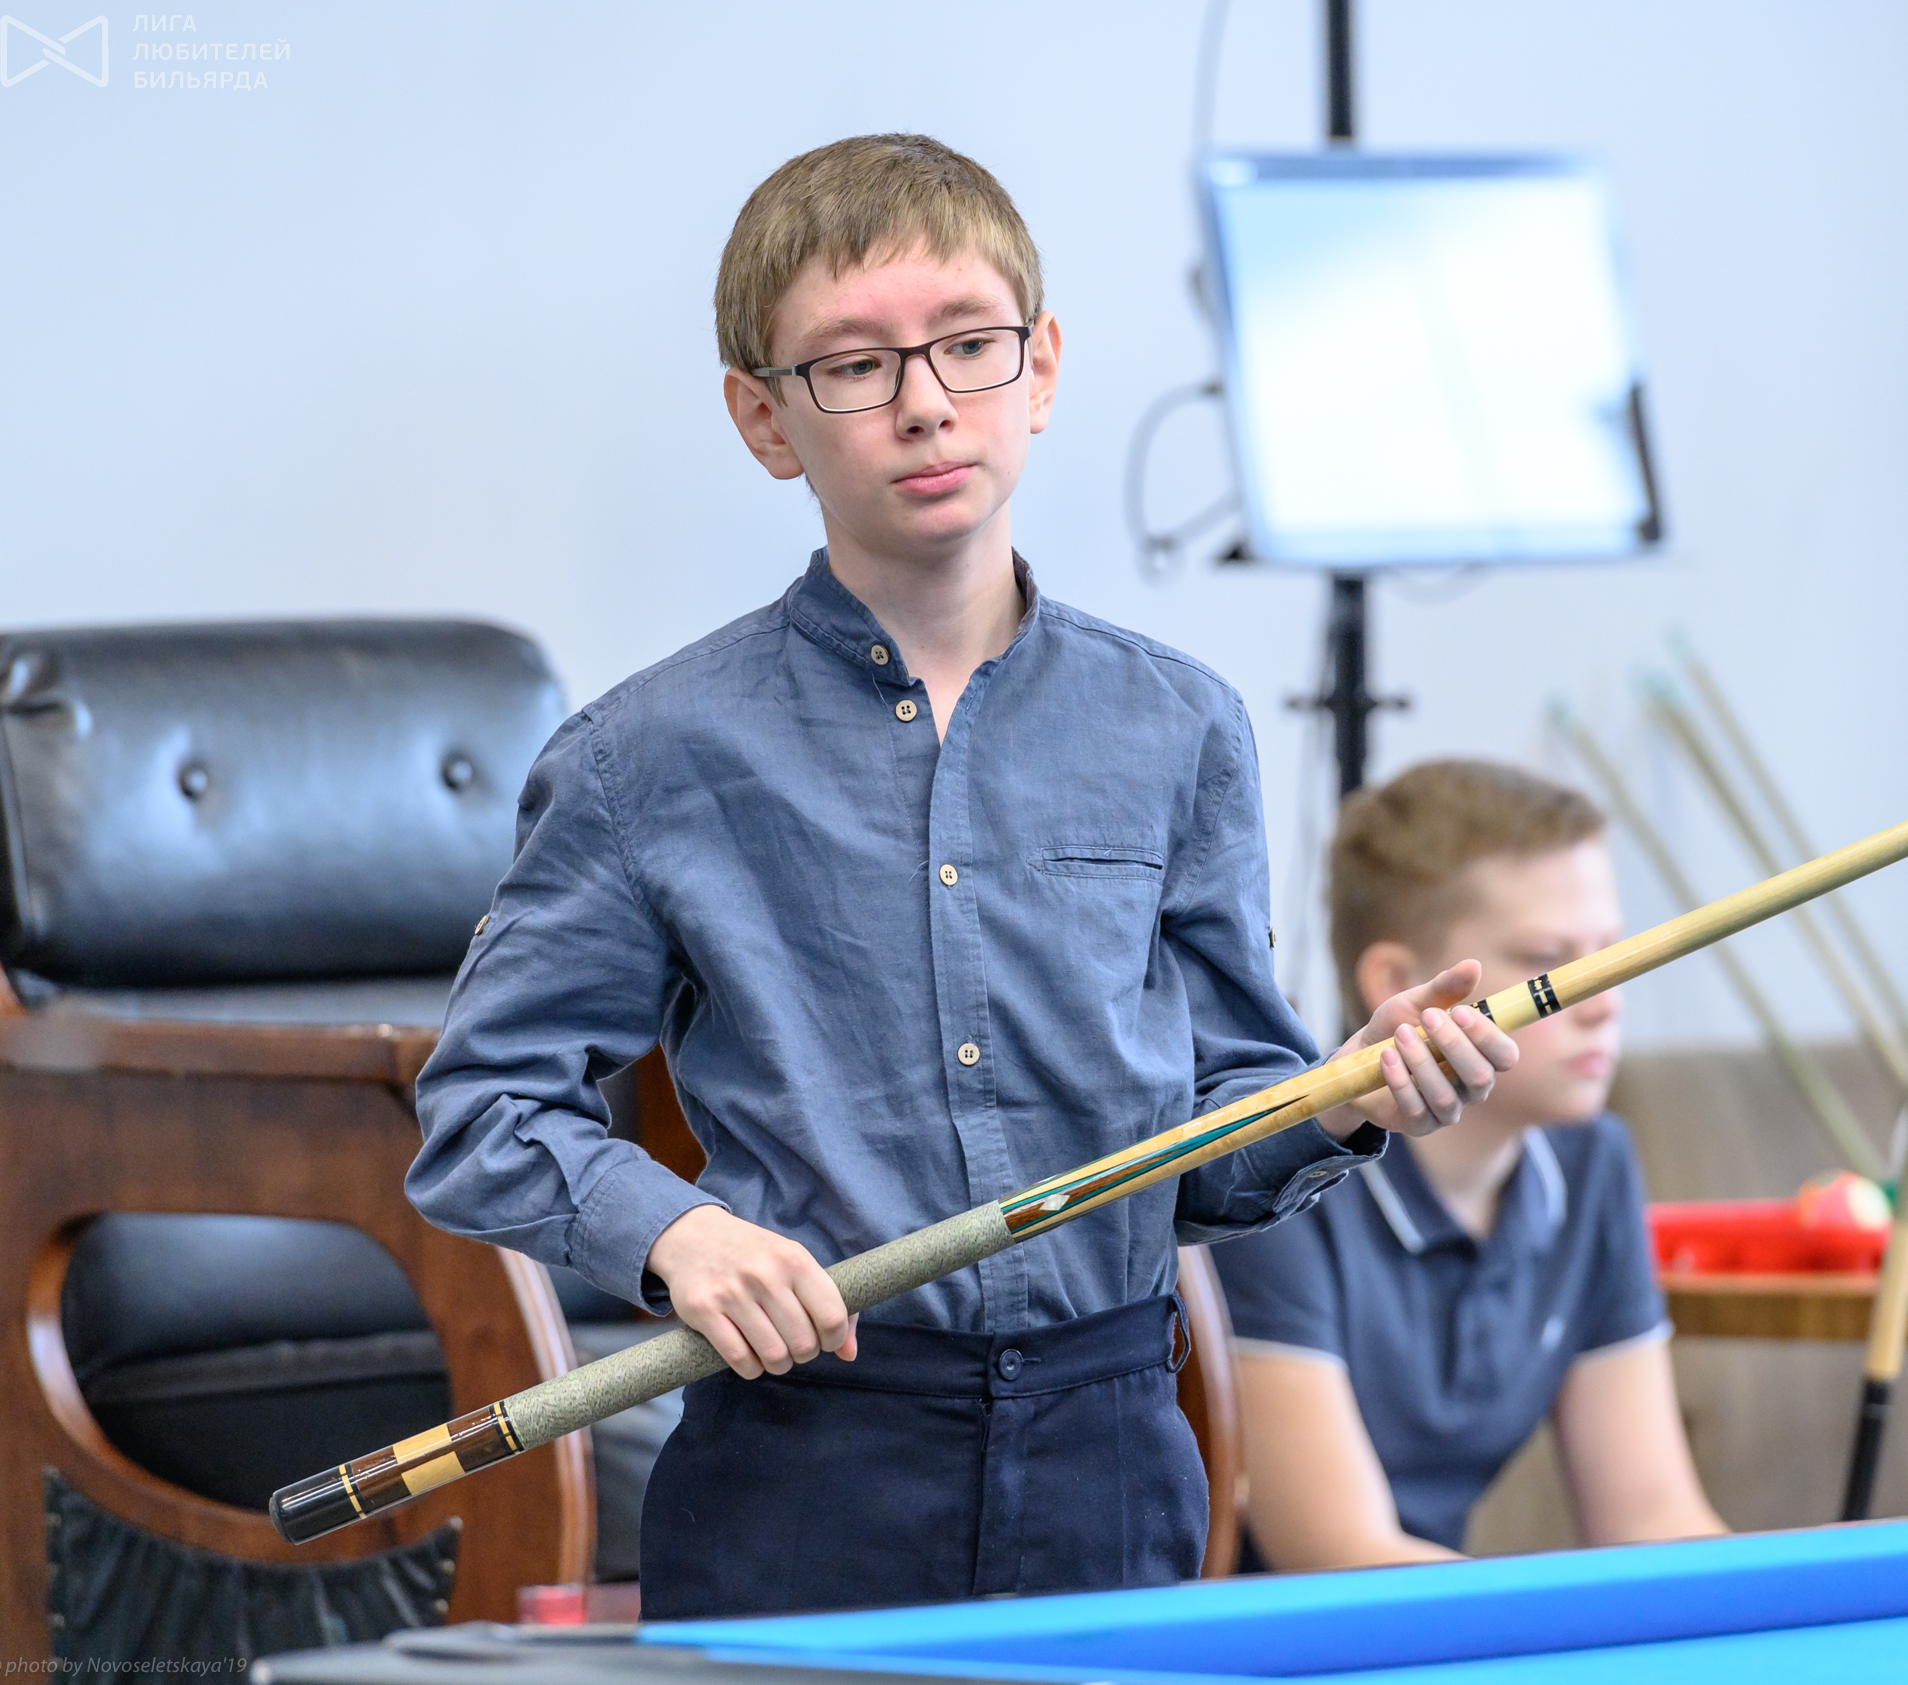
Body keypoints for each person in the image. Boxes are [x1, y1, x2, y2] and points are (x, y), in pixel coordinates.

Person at [404, 135, 1517, 1618]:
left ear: (1040, 367)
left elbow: (1218, 1137)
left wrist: (1346, 1094)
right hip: (810, 1459)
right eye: (854, 365)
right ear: (765, 417)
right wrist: (676, 1230)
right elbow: (482, 1111)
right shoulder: (644, 758)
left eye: (969, 344)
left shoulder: (1180, 726)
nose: (925, 401)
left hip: (1115, 1445)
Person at [1216, 760, 1725, 1569]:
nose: (1605, 1001)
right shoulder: (1278, 1184)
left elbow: (1652, 1516)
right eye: (1552, 960)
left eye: (1610, 953)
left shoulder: (1593, 1164)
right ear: (1397, 983)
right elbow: (1339, 1554)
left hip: (1447, 1617)